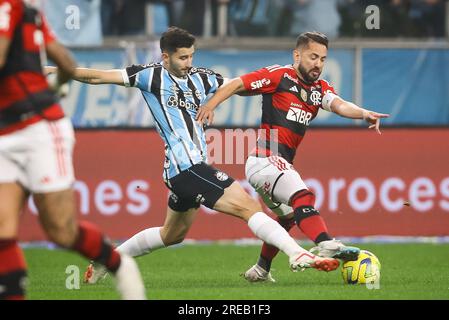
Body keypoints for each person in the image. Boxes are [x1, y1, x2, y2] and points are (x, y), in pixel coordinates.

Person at [45, 27, 340, 284]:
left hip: (191, 168)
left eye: (191, 56)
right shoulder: (148, 76)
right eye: (182, 57)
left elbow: (237, 85)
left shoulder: (202, 78)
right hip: (184, 166)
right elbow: (97, 77)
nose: (188, 63)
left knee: (171, 235)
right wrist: (57, 71)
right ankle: (297, 254)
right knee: (249, 207)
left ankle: (107, 260)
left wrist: (280, 89)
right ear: (165, 57)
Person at [196, 31, 389, 282]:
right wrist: (210, 105)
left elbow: (340, 105)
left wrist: (363, 113)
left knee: (287, 217)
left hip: (278, 163)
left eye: (322, 59)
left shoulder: (319, 89)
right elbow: (237, 84)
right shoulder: (279, 76)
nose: (318, 64)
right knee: (304, 196)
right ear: (297, 55)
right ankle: (325, 242)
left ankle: (261, 269)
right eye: (312, 57)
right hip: (265, 157)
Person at [0, 0, 145, 299]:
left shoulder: (8, 5)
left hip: (37, 127)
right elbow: (64, 62)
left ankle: (120, 264)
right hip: (5, 131)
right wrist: (60, 84)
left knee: (61, 232)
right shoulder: (30, 13)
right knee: (2, 229)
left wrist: (53, 89)